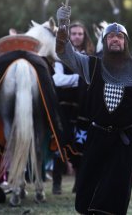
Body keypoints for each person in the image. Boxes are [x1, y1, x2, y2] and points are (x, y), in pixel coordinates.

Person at [55, 6, 132, 215]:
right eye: (111, 37)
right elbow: (64, 53)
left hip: (125, 140)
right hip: (97, 136)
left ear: (125, 42)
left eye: (120, 37)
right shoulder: (93, 65)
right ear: (105, 42)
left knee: (115, 194)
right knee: (88, 191)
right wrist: (62, 26)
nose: (115, 39)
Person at [52, 21, 95, 194]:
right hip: (64, 108)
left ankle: (79, 182)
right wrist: (79, 79)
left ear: (84, 36)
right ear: (69, 35)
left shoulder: (90, 57)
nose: (77, 36)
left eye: (80, 34)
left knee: (81, 143)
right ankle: (56, 182)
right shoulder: (60, 55)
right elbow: (57, 80)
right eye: (74, 33)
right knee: (60, 143)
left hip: (84, 109)